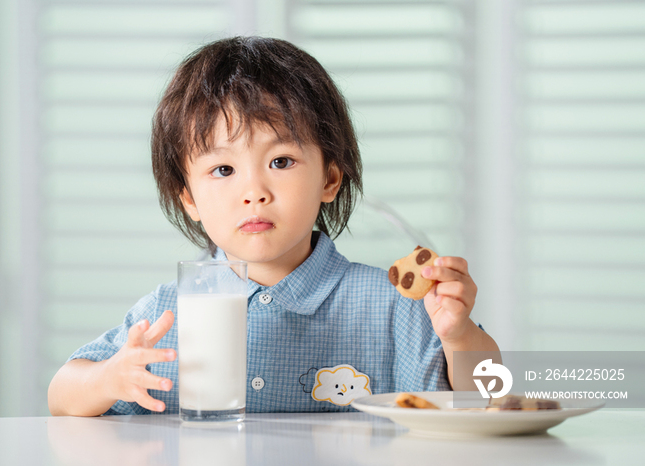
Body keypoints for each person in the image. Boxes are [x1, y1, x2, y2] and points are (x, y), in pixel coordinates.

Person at [48, 36, 499, 416]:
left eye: (280, 161)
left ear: (329, 178)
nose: (255, 191)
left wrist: (459, 335)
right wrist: (111, 377)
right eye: (223, 170)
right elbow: (63, 393)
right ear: (189, 198)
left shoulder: (389, 305)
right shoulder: (169, 314)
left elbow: (486, 397)